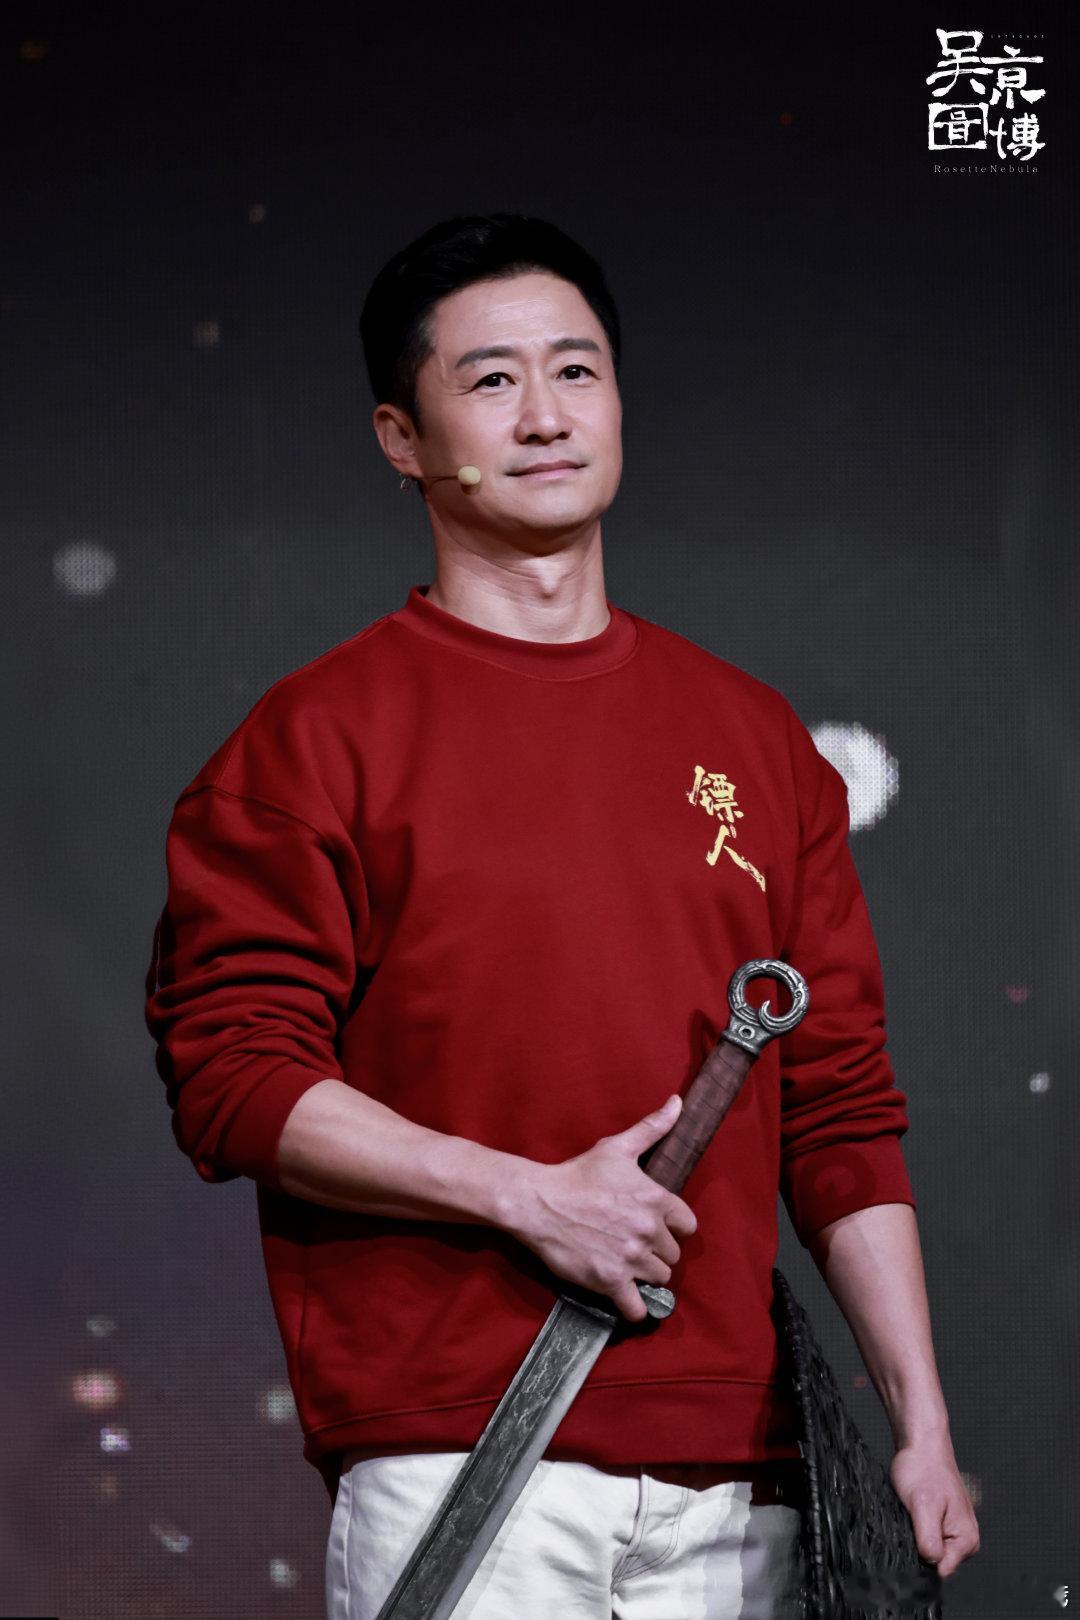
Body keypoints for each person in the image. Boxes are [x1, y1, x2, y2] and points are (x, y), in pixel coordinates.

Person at [144, 213, 979, 1619]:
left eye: (577, 371)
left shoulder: (756, 742)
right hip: (459, 1456)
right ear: (402, 439)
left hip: (742, 1477)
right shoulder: (314, 742)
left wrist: (923, 1420)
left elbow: (838, 1106)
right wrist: (527, 1196)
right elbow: (234, 1078)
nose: (545, 415)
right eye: (491, 381)